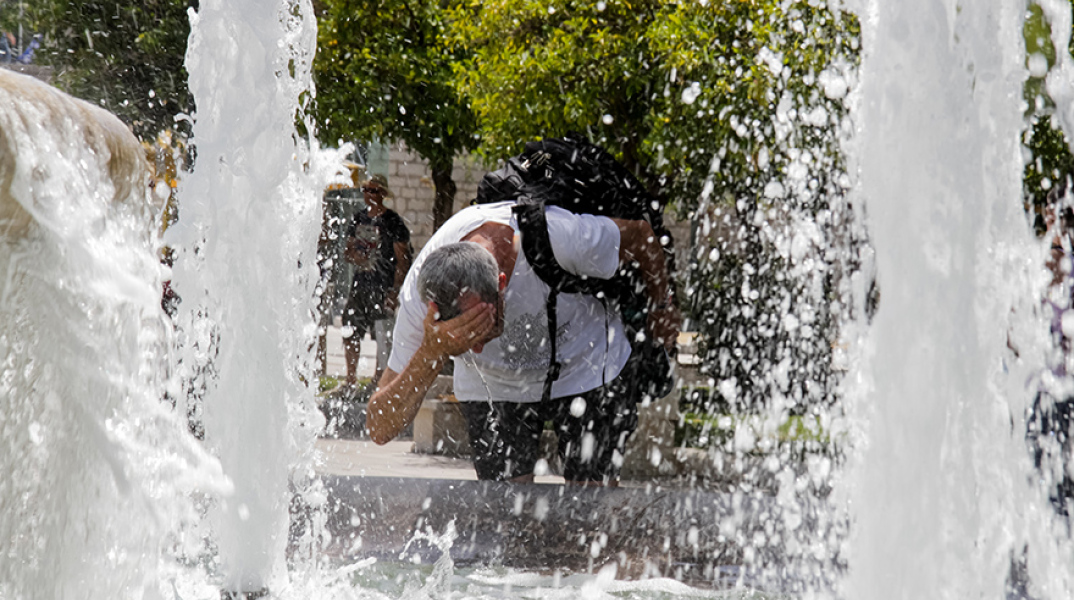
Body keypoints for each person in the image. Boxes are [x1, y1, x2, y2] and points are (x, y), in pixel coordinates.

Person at [366, 200, 680, 485]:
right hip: (493, 386)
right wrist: (430, 353)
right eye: (460, 342)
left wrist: (660, 310)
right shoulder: (419, 301)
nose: (475, 348)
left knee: (592, 505)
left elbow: (642, 236)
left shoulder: (564, 237)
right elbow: (380, 428)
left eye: (482, 330)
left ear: (501, 285)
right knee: (506, 516)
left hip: (586, 363)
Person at [341, 174, 411, 392]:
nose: (368, 194)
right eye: (365, 189)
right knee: (350, 329)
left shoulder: (394, 222)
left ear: (382, 194)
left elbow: (403, 260)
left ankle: (379, 380)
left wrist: (394, 291)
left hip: (383, 287)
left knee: (382, 335)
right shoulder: (358, 219)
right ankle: (350, 380)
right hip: (360, 285)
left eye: (373, 190)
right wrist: (356, 257)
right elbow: (348, 252)